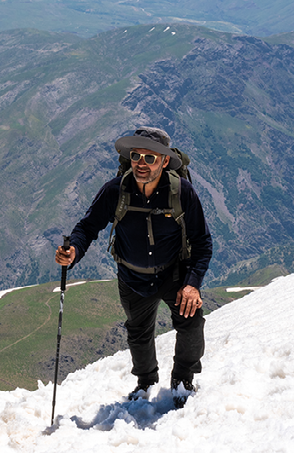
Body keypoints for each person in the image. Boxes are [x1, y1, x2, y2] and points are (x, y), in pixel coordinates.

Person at [55, 126, 212, 407]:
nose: (141, 163)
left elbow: (202, 241)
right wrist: (74, 251)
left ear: (165, 161)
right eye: (136, 156)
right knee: (138, 333)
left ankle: (183, 379)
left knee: (191, 324)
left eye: (149, 158)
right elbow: (88, 227)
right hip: (131, 276)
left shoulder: (181, 192)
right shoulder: (115, 190)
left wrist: (192, 284)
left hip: (174, 273)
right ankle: (146, 381)